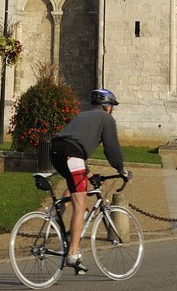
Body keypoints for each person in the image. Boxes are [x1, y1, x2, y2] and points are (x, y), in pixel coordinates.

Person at [49, 88, 130, 273]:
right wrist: (121, 169)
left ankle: (56, 219)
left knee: (75, 186)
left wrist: (90, 174)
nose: (112, 110)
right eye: (111, 106)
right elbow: (112, 149)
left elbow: (74, 146)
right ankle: (72, 254)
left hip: (57, 151)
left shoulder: (82, 115)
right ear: (107, 107)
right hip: (73, 154)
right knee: (80, 205)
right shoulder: (106, 119)